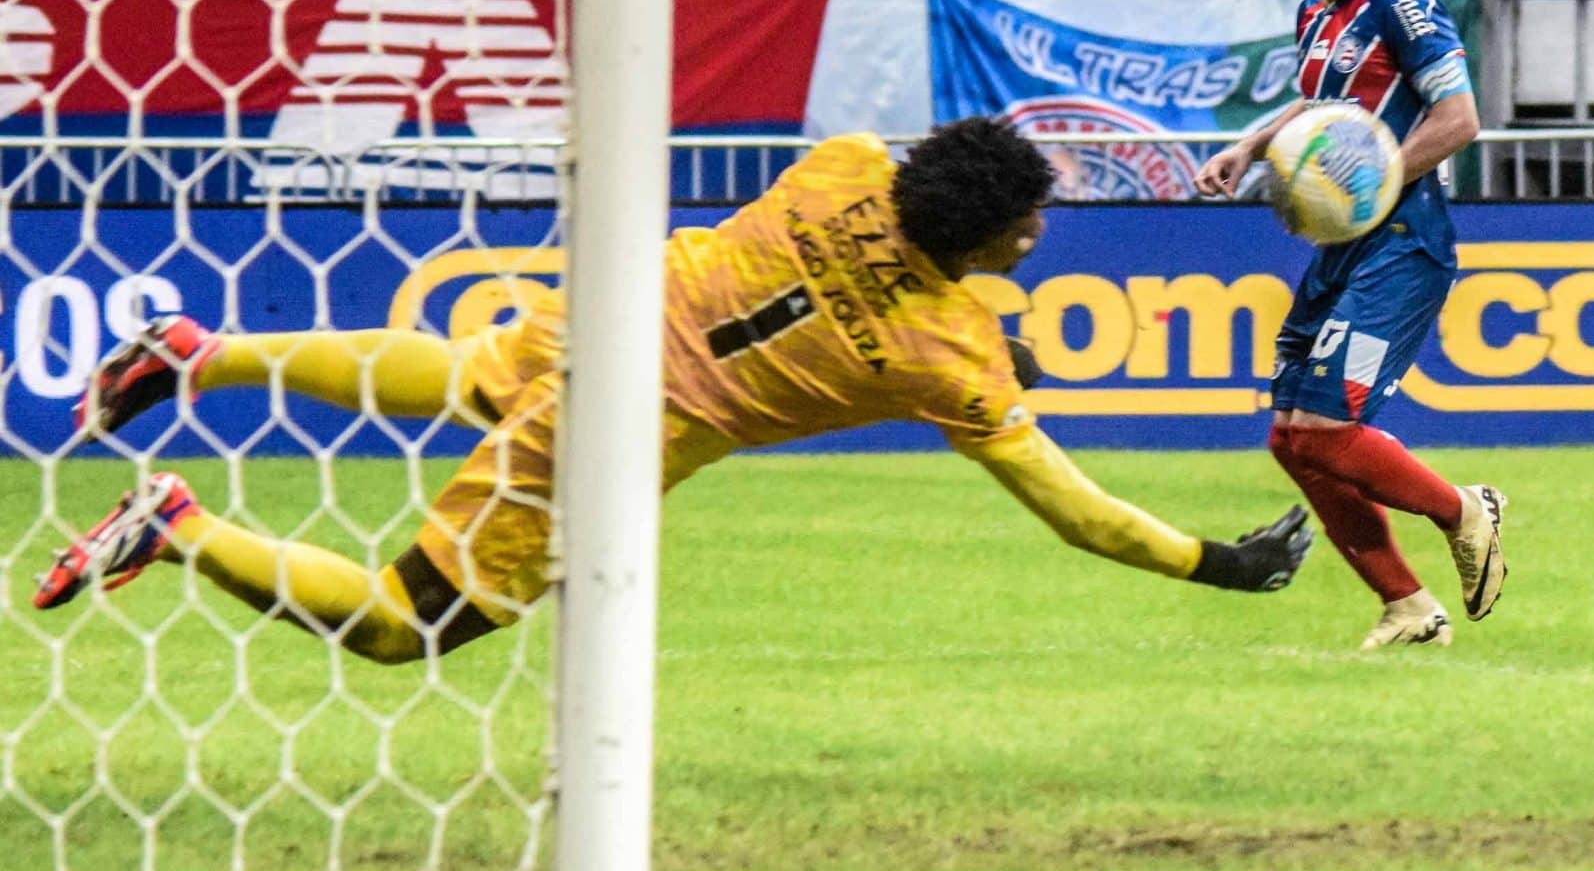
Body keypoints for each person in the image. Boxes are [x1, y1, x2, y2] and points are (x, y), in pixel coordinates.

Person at [38, 119, 1317, 655]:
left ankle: (201, 352)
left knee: (466, 373)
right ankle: (178, 525)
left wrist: (967, 317)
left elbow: (871, 266)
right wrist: (1214, 562)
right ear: (979, 236)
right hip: (616, 430)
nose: (1037, 236)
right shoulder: (950, 360)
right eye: (1023, 225)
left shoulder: (846, 163)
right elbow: (1077, 511)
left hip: (619, 310)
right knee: (402, 624)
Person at [1193, 0, 1504, 652]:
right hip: (1344, 246)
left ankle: (1464, 510)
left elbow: (1460, 119)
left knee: (1328, 429)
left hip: (1403, 242)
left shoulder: (1404, 1)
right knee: (1291, 436)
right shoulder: (1316, 11)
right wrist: (1251, 145)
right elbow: (1319, 105)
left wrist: (1375, 179)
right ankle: (1407, 606)